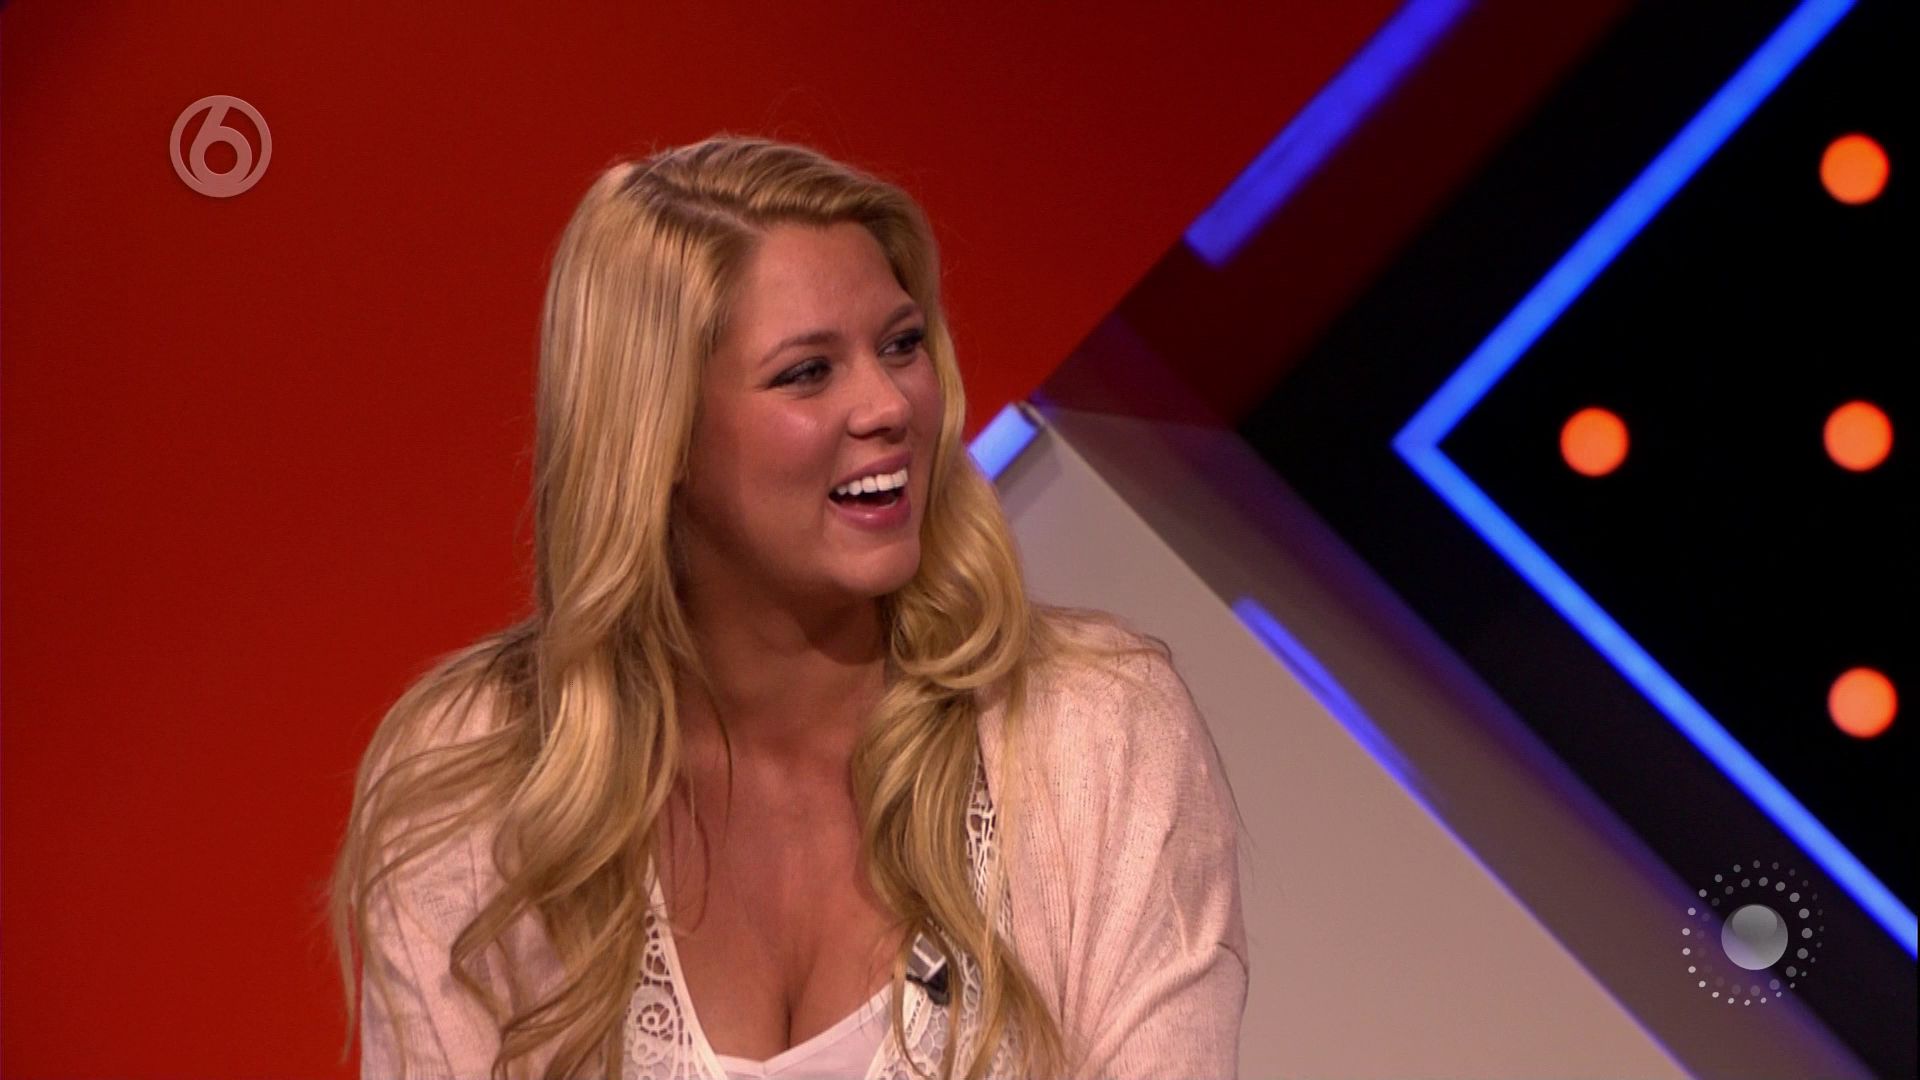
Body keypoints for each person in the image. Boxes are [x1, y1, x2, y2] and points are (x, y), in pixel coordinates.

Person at [327, 133, 1246, 1080]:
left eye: (902, 345)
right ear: (658, 434)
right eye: (808, 372)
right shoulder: (473, 774)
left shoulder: (1095, 730)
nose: (890, 404)